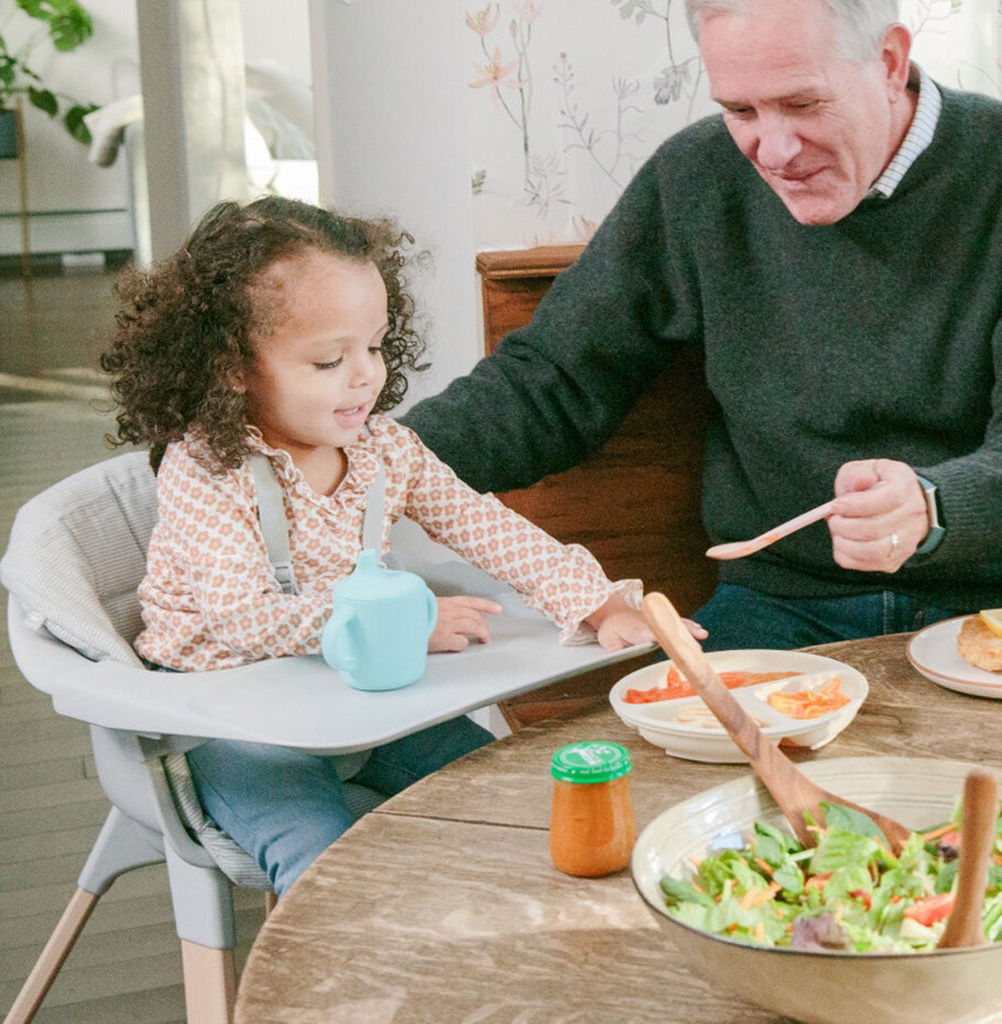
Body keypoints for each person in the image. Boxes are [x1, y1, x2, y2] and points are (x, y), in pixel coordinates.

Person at [100, 195, 693, 896]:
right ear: (232, 366)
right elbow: (241, 616)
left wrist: (593, 602)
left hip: (358, 697)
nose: (365, 377)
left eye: (375, 347)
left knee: (514, 796)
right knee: (320, 866)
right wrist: (403, 621)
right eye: (328, 360)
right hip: (234, 715)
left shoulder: (385, 449)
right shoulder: (206, 467)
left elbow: (484, 526)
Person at [404, 0, 1002, 651]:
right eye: (740, 111)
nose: (771, 151)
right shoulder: (697, 176)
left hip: (984, 601)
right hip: (780, 602)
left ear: (889, 62)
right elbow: (557, 380)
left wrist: (934, 508)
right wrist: (370, 465)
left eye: (802, 104)